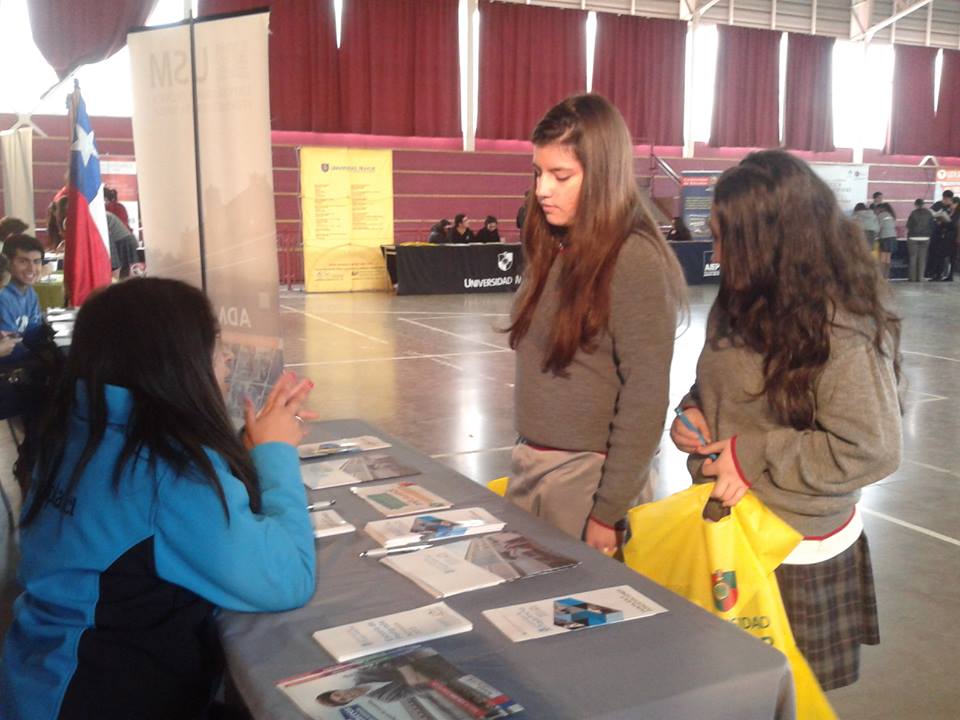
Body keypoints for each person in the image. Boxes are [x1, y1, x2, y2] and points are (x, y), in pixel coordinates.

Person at [0, 278, 317, 720]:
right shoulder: (169, 472)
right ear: (175, 363)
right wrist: (277, 454)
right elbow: (286, 578)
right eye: (215, 346)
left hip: (38, 681)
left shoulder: (81, 429)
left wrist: (251, 451)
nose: (226, 359)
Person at [670, 150, 901, 691]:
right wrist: (691, 412)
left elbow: (872, 449)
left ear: (771, 243)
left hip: (795, 552)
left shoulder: (840, 327)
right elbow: (714, 387)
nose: (717, 251)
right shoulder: (737, 302)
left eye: (728, 238)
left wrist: (750, 453)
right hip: (729, 533)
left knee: (786, 700)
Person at [505, 94, 686, 554]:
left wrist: (608, 511)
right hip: (533, 467)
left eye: (560, 176)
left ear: (602, 175)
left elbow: (645, 396)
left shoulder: (633, 258)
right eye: (538, 173)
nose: (543, 189)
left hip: (586, 483)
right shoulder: (555, 246)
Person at [905, 199, 934, 282]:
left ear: (916, 205)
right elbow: (932, 225)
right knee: (922, 258)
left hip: (913, 237)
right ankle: (920, 278)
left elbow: (908, 225)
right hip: (925, 237)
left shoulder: (913, 213)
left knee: (913, 258)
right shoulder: (929, 213)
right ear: (923, 204)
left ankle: (912, 278)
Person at [106, 209, 138, 278]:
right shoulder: (106, 214)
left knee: (128, 273)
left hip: (123, 241)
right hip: (126, 239)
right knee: (128, 273)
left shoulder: (102, 215)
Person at [875, 202, 897, 278]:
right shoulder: (892, 215)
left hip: (884, 237)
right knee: (888, 259)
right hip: (893, 237)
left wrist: (875, 235)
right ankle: (886, 276)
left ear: (880, 209)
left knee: (882, 259)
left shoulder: (881, 215)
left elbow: (878, 227)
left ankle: (881, 276)